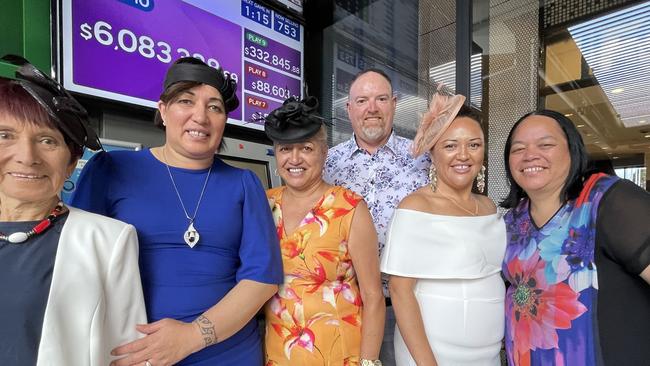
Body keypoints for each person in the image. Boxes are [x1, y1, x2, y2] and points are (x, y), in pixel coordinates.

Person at [71, 57, 284, 365]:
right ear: (163, 111)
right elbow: (77, 263)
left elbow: (262, 279)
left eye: (215, 107)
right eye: (186, 101)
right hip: (135, 353)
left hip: (229, 353)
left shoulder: (244, 183)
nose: (201, 116)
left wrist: (190, 337)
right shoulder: (112, 170)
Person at [0, 55, 146, 365]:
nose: (27, 156)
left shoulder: (109, 240)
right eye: (5, 136)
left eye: (47, 140)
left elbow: (128, 352)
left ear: (70, 162)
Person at [501, 110, 650, 365]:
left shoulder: (608, 200)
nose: (530, 155)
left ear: (572, 150)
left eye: (545, 144)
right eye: (518, 149)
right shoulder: (511, 222)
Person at [381, 92, 506, 365]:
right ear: (433, 153)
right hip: (433, 355)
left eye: (474, 145)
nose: (463, 155)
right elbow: (401, 293)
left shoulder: (489, 208)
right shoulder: (415, 207)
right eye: (450, 146)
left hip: (488, 353)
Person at [263, 96, 385, 365]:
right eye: (285, 149)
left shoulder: (349, 207)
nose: (294, 159)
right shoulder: (264, 203)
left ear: (324, 152)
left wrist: (368, 363)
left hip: (339, 353)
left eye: (306, 148)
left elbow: (373, 296)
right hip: (277, 351)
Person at [323, 69, 430, 365]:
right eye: (362, 100)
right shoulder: (327, 163)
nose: (372, 108)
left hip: (405, 307)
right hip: (341, 306)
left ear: (394, 104)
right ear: (349, 109)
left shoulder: (422, 159)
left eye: (381, 99)